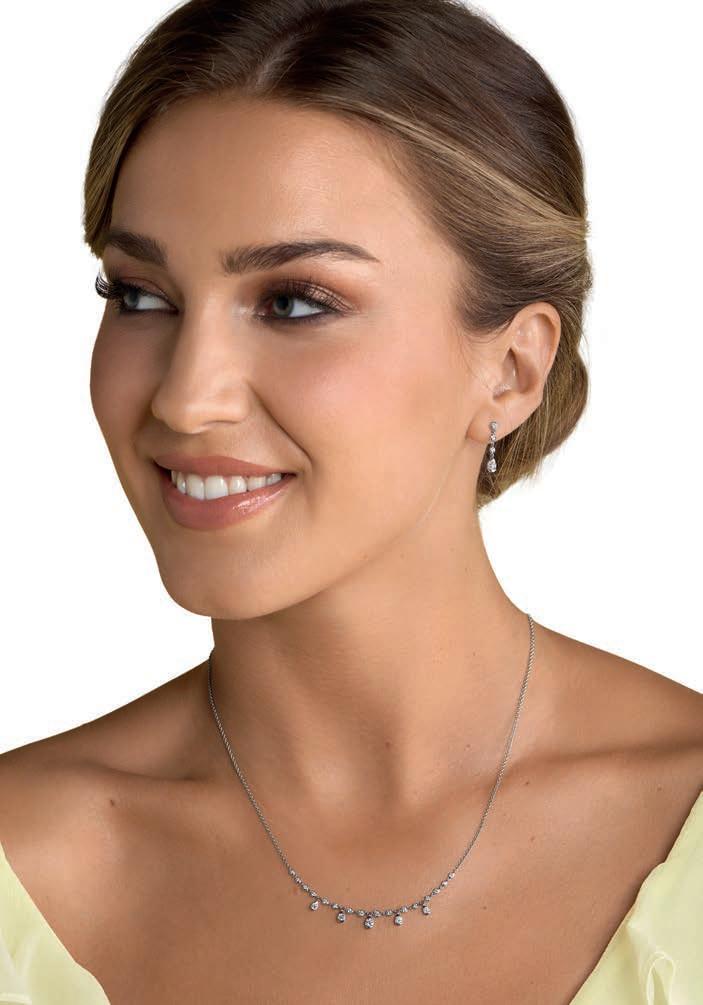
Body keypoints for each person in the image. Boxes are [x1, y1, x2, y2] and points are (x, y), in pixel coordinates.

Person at [1, 1, 701, 1002]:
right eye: (140, 296)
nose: (185, 398)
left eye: (294, 302)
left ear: (511, 368)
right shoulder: (21, 864)